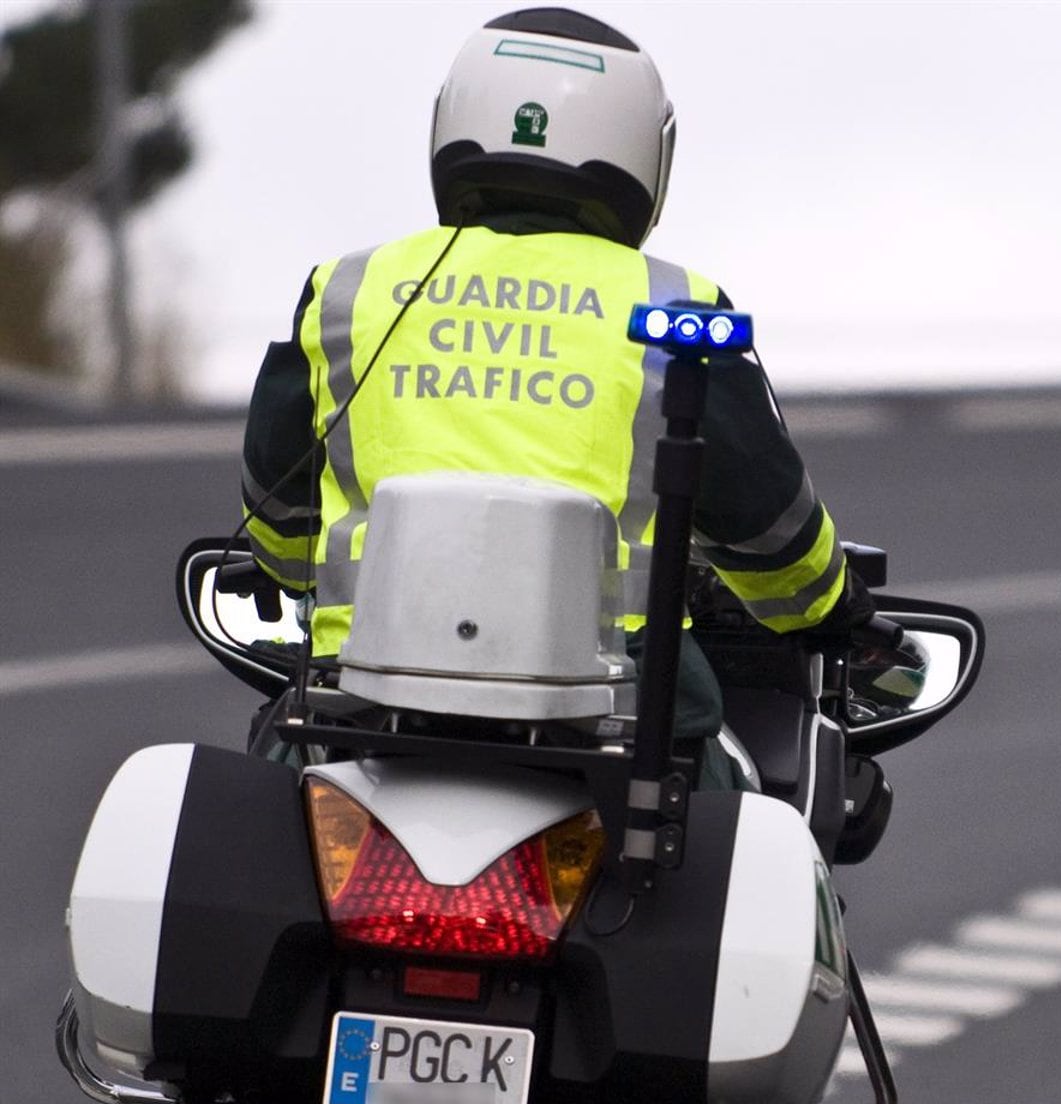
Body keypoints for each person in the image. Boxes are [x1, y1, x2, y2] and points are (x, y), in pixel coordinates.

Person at [238, 7, 921, 770]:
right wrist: (830, 608)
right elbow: (766, 518)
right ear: (646, 154)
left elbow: (278, 495)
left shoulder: (350, 288)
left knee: (266, 793)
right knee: (755, 831)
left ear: (451, 121)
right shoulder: (676, 304)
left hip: (361, 697)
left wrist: (294, 574)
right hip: (620, 713)